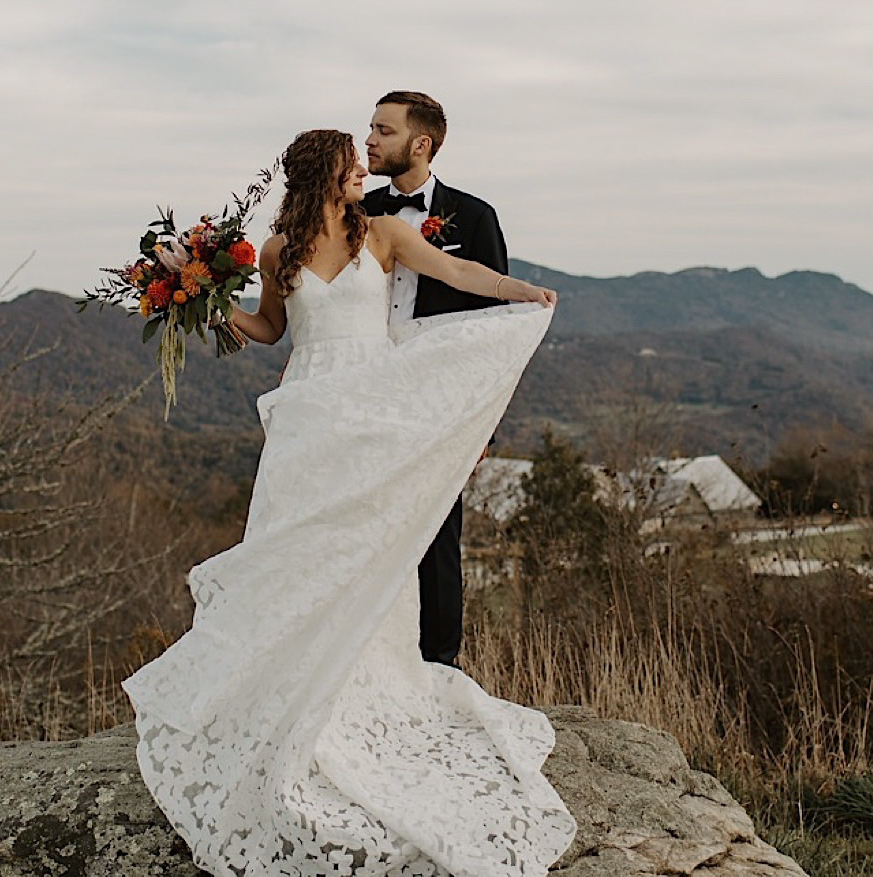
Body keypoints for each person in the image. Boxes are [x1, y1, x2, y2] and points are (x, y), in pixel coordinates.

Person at [123, 128, 577, 877]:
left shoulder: (388, 233)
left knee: (368, 555)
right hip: (308, 417)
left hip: (374, 412)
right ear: (324, 175)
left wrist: (522, 292)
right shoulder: (275, 252)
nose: (364, 169)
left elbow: (459, 272)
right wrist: (206, 309)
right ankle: (284, 689)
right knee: (297, 554)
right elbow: (269, 330)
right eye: (352, 162)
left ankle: (361, 690)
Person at [362, 90, 506, 668]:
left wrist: (484, 423)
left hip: (438, 398)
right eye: (370, 127)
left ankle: (439, 666)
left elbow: (494, 324)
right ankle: (369, 663)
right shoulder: (354, 211)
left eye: (383, 130)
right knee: (366, 530)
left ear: (420, 145)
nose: (368, 139)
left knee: (437, 536)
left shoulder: (473, 217)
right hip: (365, 390)